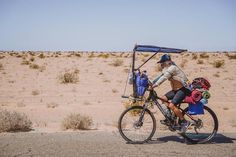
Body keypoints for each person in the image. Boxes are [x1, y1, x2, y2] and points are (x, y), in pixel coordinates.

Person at [150, 54, 192, 133]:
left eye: (162, 63)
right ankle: (170, 118)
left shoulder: (172, 68)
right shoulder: (167, 69)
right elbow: (160, 76)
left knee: (171, 105)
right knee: (163, 98)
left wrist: (155, 85)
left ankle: (185, 122)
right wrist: (151, 83)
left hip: (183, 89)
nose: (161, 65)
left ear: (167, 62)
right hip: (176, 90)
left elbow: (164, 77)